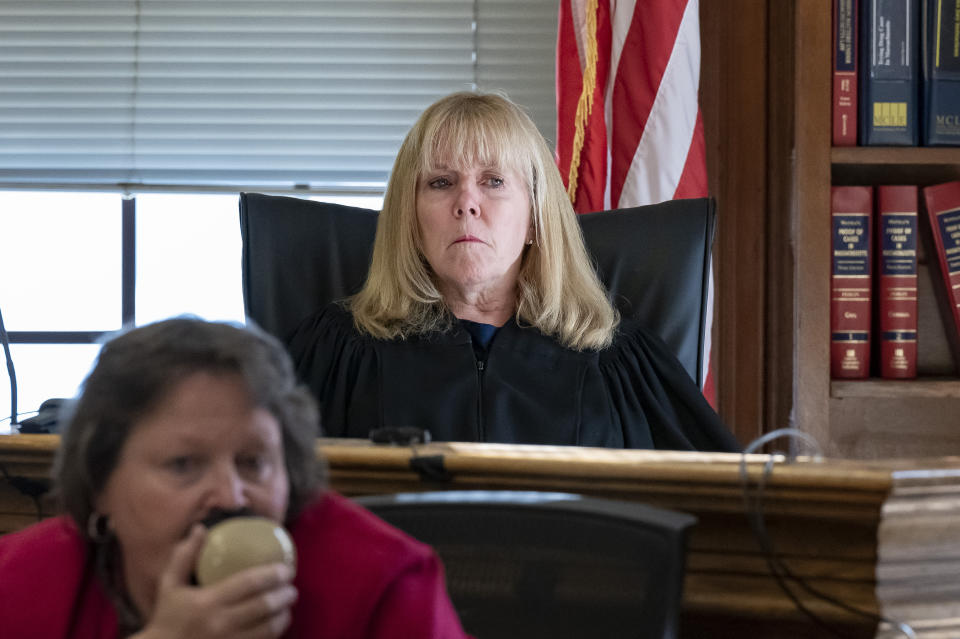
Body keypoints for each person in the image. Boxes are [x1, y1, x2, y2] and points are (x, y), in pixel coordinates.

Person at [289, 91, 739, 452]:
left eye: (494, 181)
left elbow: (716, 511)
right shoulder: (338, 352)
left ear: (536, 219)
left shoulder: (619, 362)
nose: (466, 202)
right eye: (441, 182)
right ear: (409, 220)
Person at [0, 318, 469, 639]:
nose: (229, 495)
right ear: (100, 484)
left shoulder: (386, 584)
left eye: (254, 462)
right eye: (183, 464)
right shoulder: (19, 581)